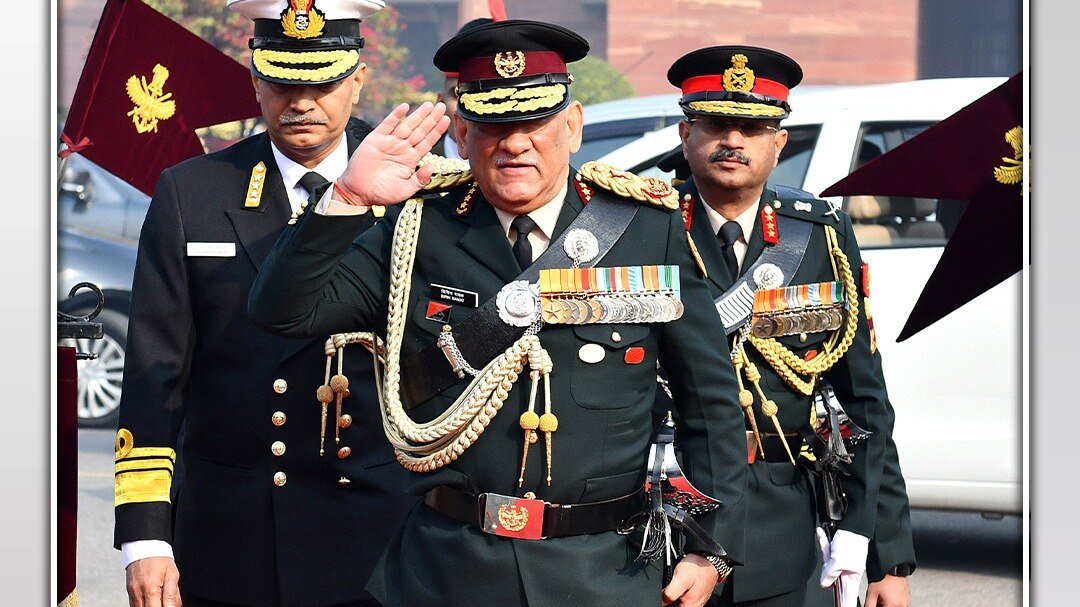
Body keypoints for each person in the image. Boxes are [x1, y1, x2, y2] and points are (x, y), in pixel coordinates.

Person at [249, 18, 750, 607]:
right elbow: (284, 312)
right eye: (492, 124)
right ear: (460, 132)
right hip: (447, 571)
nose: (515, 143)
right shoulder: (417, 228)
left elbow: (710, 402)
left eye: (535, 122)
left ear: (573, 126)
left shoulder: (648, 229)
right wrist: (348, 200)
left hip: (602, 573)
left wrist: (709, 546)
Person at [112, 1, 416, 605]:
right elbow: (155, 372)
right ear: (254, 79)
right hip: (233, 534)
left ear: (358, 77)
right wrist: (146, 539)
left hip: (377, 534)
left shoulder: (418, 186)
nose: (300, 102)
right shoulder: (192, 192)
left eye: (322, 82)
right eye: (281, 82)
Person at [663, 45, 916, 607]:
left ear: (779, 143)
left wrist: (884, 556)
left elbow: (865, 402)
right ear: (686, 134)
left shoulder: (820, 235)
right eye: (716, 124)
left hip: (782, 518)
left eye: (752, 128)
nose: (733, 141)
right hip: (664, 514)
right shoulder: (643, 228)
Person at [431, 17, 494, 161]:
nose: (470, 106)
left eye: (484, 95)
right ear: (440, 104)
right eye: (458, 94)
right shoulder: (415, 171)